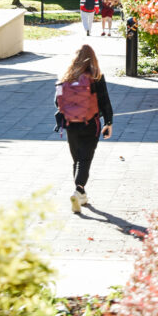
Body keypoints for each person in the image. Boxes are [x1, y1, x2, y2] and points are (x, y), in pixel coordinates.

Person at [55, 44, 113, 212]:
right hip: (91, 124)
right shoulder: (96, 77)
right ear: (93, 59)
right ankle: (78, 190)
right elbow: (105, 101)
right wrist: (108, 123)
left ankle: (81, 195)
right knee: (85, 159)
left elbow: (56, 102)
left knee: (77, 159)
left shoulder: (66, 76)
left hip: (70, 124)